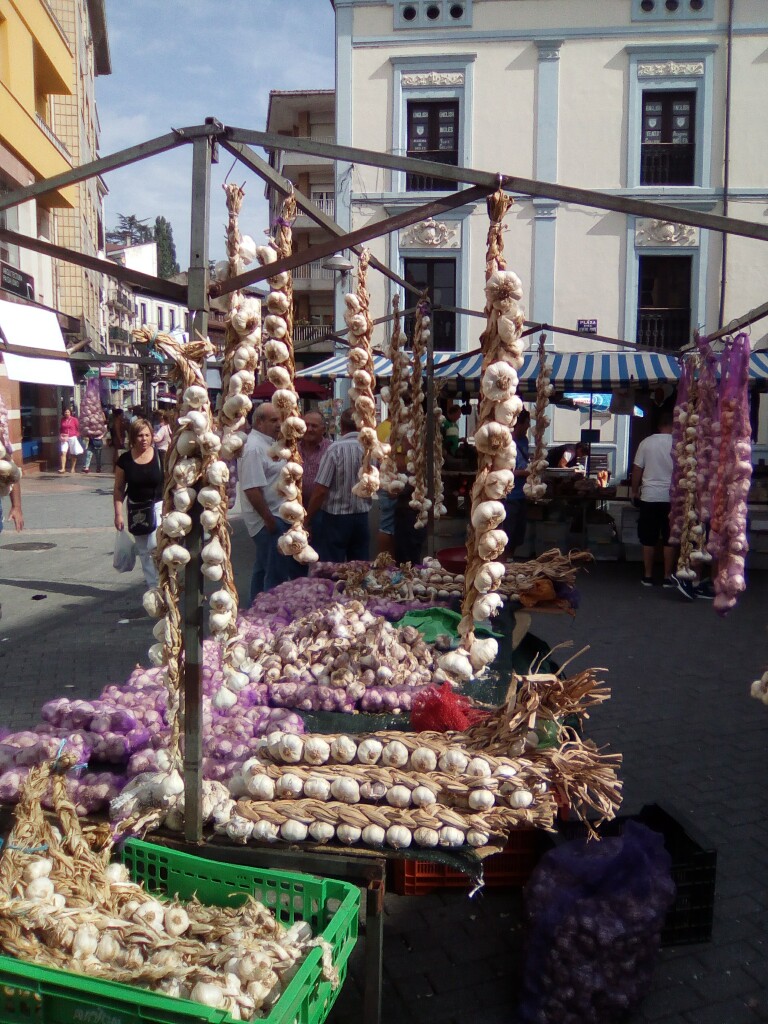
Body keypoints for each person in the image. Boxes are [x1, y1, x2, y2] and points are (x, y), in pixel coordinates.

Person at [239, 402, 300, 601]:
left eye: (280, 420)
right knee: (276, 575)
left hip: (275, 516)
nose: (278, 424)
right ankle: (270, 617)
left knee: (262, 569)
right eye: (274, 420)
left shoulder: (270, 443)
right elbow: (251, 488)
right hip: (268, 519)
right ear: (259, 421)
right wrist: (269, 520)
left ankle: (253, 612)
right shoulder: (254, 448)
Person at [306, 407, 372, 563]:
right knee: (360, 566)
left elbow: (321, 490)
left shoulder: (334, 449)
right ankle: (358, 588)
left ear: (341, 426)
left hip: (336, 519)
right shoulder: (369, 449)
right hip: (361, 517)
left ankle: (336, 588)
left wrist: (307, 518)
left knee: (333, 567)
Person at [113, 418, 164, 589]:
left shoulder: (160, 456)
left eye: (147, 435)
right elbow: (119, 489)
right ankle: (154, 589)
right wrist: (118, 514)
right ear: (133, 437)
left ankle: (165, 582)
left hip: (158, 507)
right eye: (140, 435)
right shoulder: (125, 461)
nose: (144, 439)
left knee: (154, 545)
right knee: (144, 552)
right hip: (137, 509)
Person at [630, 409, 678, 591]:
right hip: (672, 497)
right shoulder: (679, 443)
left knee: (648, 539)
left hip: (649, 496)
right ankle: (667, 577)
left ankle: (648, 575)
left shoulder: (646, 443)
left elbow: (637, 469)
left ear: (659, 426)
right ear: (674, 425)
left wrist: (634, 491)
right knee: (669, 538)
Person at [503, 409, 531, 558]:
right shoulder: (506, 442)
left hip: (523, 494)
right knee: (508, 532)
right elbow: (502, 470)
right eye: (527, 423)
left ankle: (510, 558)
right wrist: (525, 472)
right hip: (510, 495)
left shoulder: (524, 441)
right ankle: (504, 562)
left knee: (519, 533)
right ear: (519, 424)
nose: (529, 426)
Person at [299, 410, 330, 506]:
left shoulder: (331, 450)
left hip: (323, 509)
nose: (309, 429)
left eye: (314, 426)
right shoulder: (293, 450)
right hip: (296, 509)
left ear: (323, 429)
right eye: (306, 425)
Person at [58, 407, 82, 474]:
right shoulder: (62, 419)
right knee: (63, 452)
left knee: (73, 453)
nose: (67, 413)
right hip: (64, 438)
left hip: (72, 437)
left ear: (70, 412)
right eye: (65, 412)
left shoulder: (74, 420)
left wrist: (76, 435)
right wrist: (60, 435)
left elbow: (78, 428)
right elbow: (61, 428)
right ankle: (63, 468)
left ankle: (73, 468)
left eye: (68, 412)